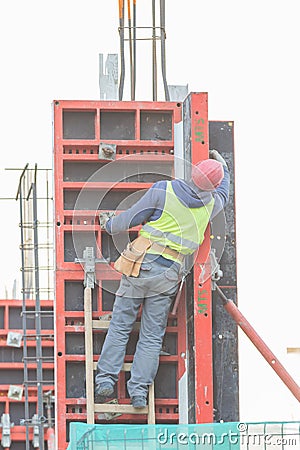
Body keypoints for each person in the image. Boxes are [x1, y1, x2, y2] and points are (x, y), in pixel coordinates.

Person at [95, 149, 230, 408]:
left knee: (121, 324)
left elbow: (129, 219)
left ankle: (106, 381)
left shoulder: (163, 190)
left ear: (192, 172)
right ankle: (138, 392)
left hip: (141, 265)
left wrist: (109, 225)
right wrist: (222, 166)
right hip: (169, 275)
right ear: (212, 186)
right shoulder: (212, 204)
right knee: (152, 335)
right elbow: (224, 190)